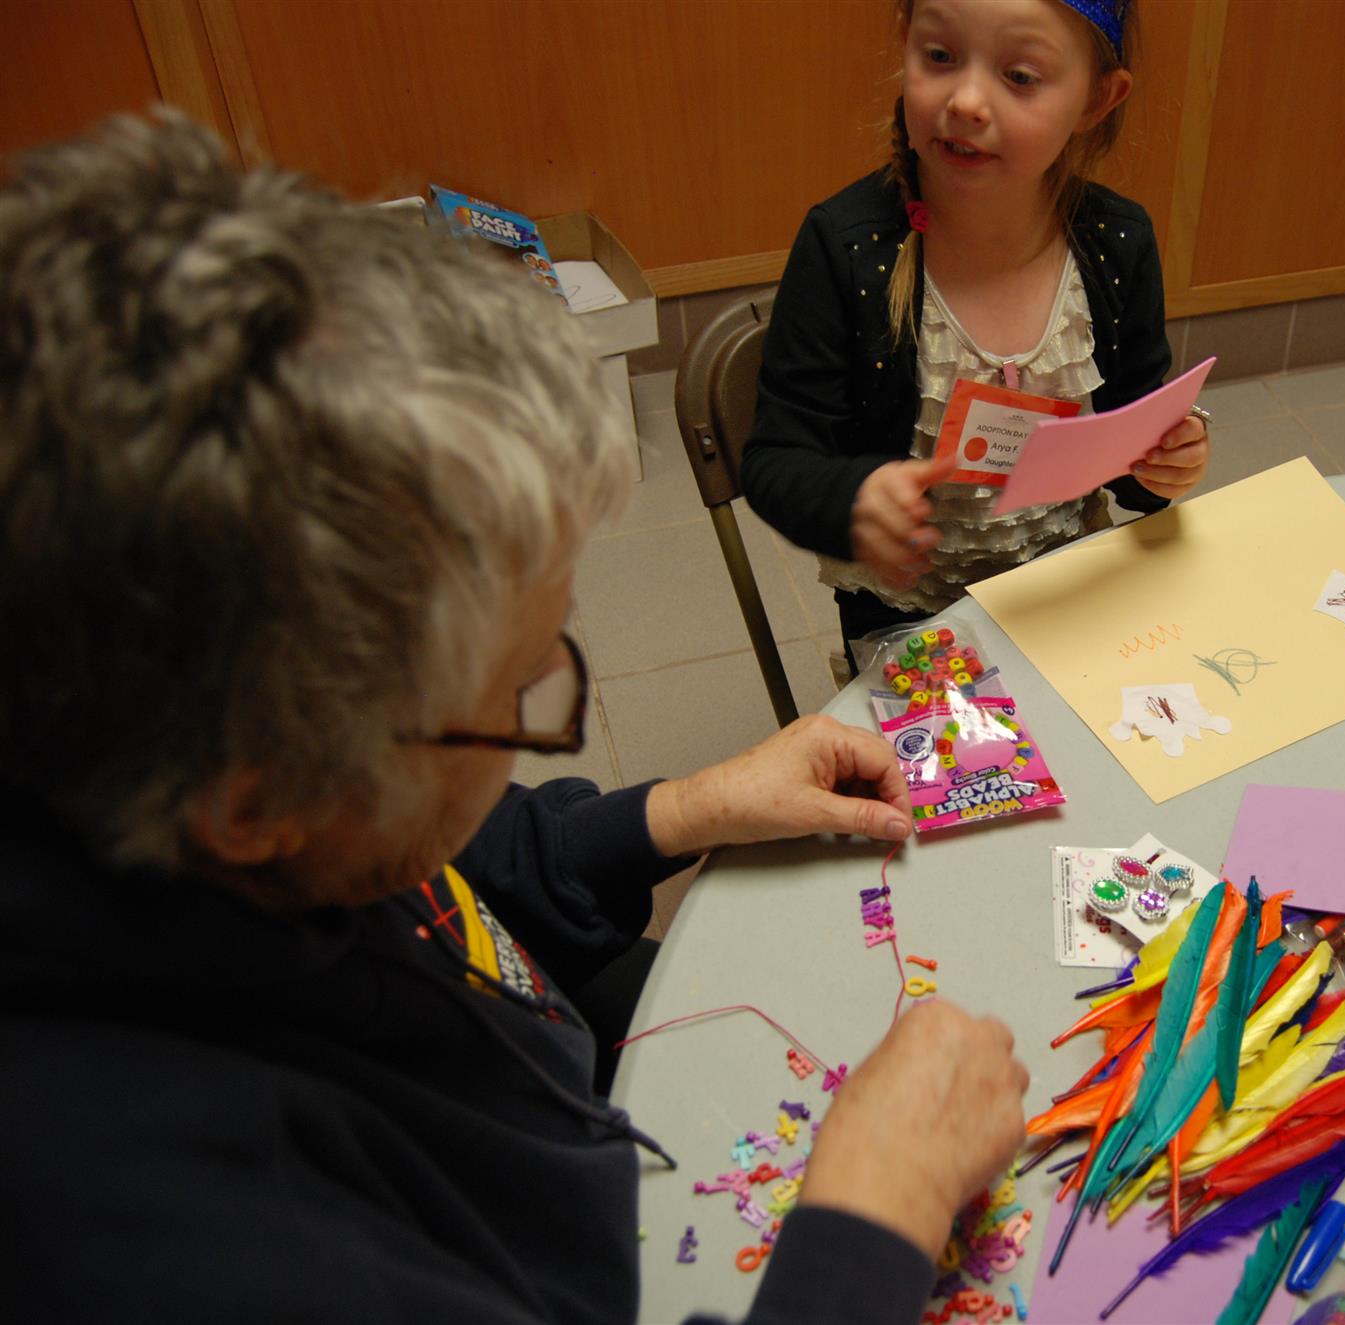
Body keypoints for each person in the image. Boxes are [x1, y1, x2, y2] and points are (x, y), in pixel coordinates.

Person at [0, 113, 1028, 1325]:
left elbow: (436, 878)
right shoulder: (188, 1249)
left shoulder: (215, 790)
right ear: (261, 797)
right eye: (513, 694)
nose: (543, 709)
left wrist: (678, 809)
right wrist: (876, 1214)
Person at [741, 0, 1211, 660]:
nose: (965, 101)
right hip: (908, 617)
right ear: (906, 42)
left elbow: (1128, 453)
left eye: (1019, 76)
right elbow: (775, 459)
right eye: (939, 56)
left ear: (1097, 99)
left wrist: (1165, 463)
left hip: (1067, 592)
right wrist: (852, 500)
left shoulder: (1115, 243)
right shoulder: (847, 249)